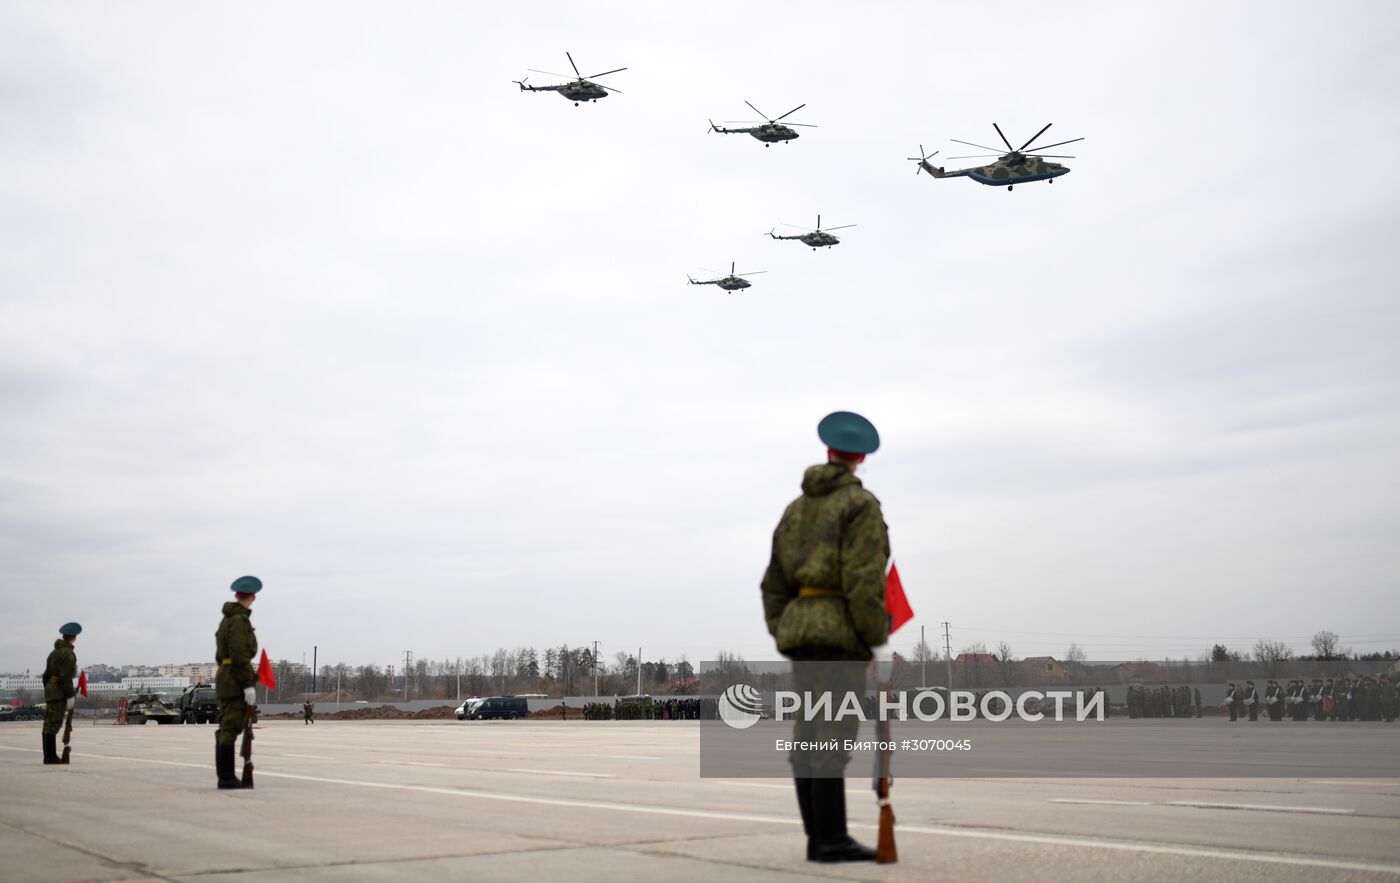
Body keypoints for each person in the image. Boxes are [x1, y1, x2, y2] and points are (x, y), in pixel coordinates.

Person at [761, 411, 889, 864]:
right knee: (833, 733)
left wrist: (786, 628)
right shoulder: (860, 505)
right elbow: (863, 580)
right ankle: (830, 839)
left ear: (829, 451)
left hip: (802, 635)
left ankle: (818, 838)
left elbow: (773, 582)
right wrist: (878, 640)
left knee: (809, 734)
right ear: (860, 458)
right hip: (839, 637)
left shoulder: (796, 510)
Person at [215, 575, 261, 789]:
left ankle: (225, 775)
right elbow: (240, 654)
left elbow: (223, 654)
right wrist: (247, 684)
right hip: (234, 678)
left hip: (226, 674)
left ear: (236, 595)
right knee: (231, 726)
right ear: (252, 597)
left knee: (227, 725)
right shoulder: (239, 620)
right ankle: (226, 777)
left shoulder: (227, 620)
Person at [41, 623, 81, 765]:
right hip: (59, 692)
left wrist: (49, 688)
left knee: (48, 723)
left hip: (51, 690)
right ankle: (51, 757)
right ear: (74, 637)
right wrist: (70, 695)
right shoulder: (68, 654)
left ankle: (48, 755)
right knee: (54, 723)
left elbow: (45, 676)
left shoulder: (53, 653)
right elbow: (65, 677)